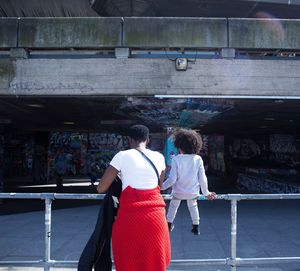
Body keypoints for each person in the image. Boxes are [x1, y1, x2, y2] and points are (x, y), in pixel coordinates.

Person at [97, 125, 171, 271]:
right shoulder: (159, 157)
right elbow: (159, 185)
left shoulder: (122, 156)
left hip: (130, 217)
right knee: (154, 263)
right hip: (156, 218)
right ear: (148, 140)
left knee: (128, 262)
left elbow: (101, 188)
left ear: (129, 139)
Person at [161, 128, 217, 235]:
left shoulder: (176, 159)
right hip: (193, 193)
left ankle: (169, 224)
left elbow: (172, 179)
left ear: (179, 146)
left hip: (178, 193)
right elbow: (202, 178)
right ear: (196, 145)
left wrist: (161, 187)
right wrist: (206, 192)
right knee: (193, 206)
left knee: (173, 205)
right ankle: (195, 226)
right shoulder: (198, 159)